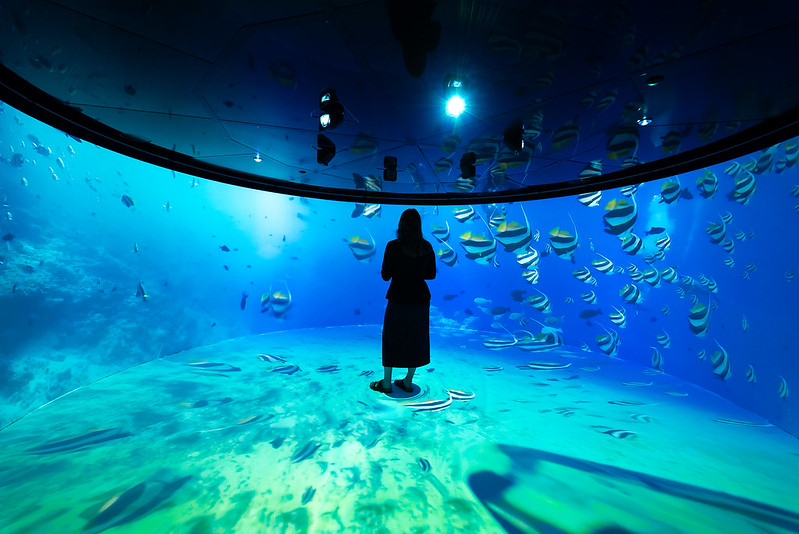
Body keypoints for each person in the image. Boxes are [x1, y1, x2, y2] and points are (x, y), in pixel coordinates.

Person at [370, 208, 436, 394]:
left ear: (401, 225)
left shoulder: (392, 246)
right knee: (416, 338)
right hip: (420, 298)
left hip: (398, 297)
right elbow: (431, 275)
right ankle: (408, 382)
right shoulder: (427, 246)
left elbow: (385, 276)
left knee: (391, 337)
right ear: (419, 226)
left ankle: (387, 383)